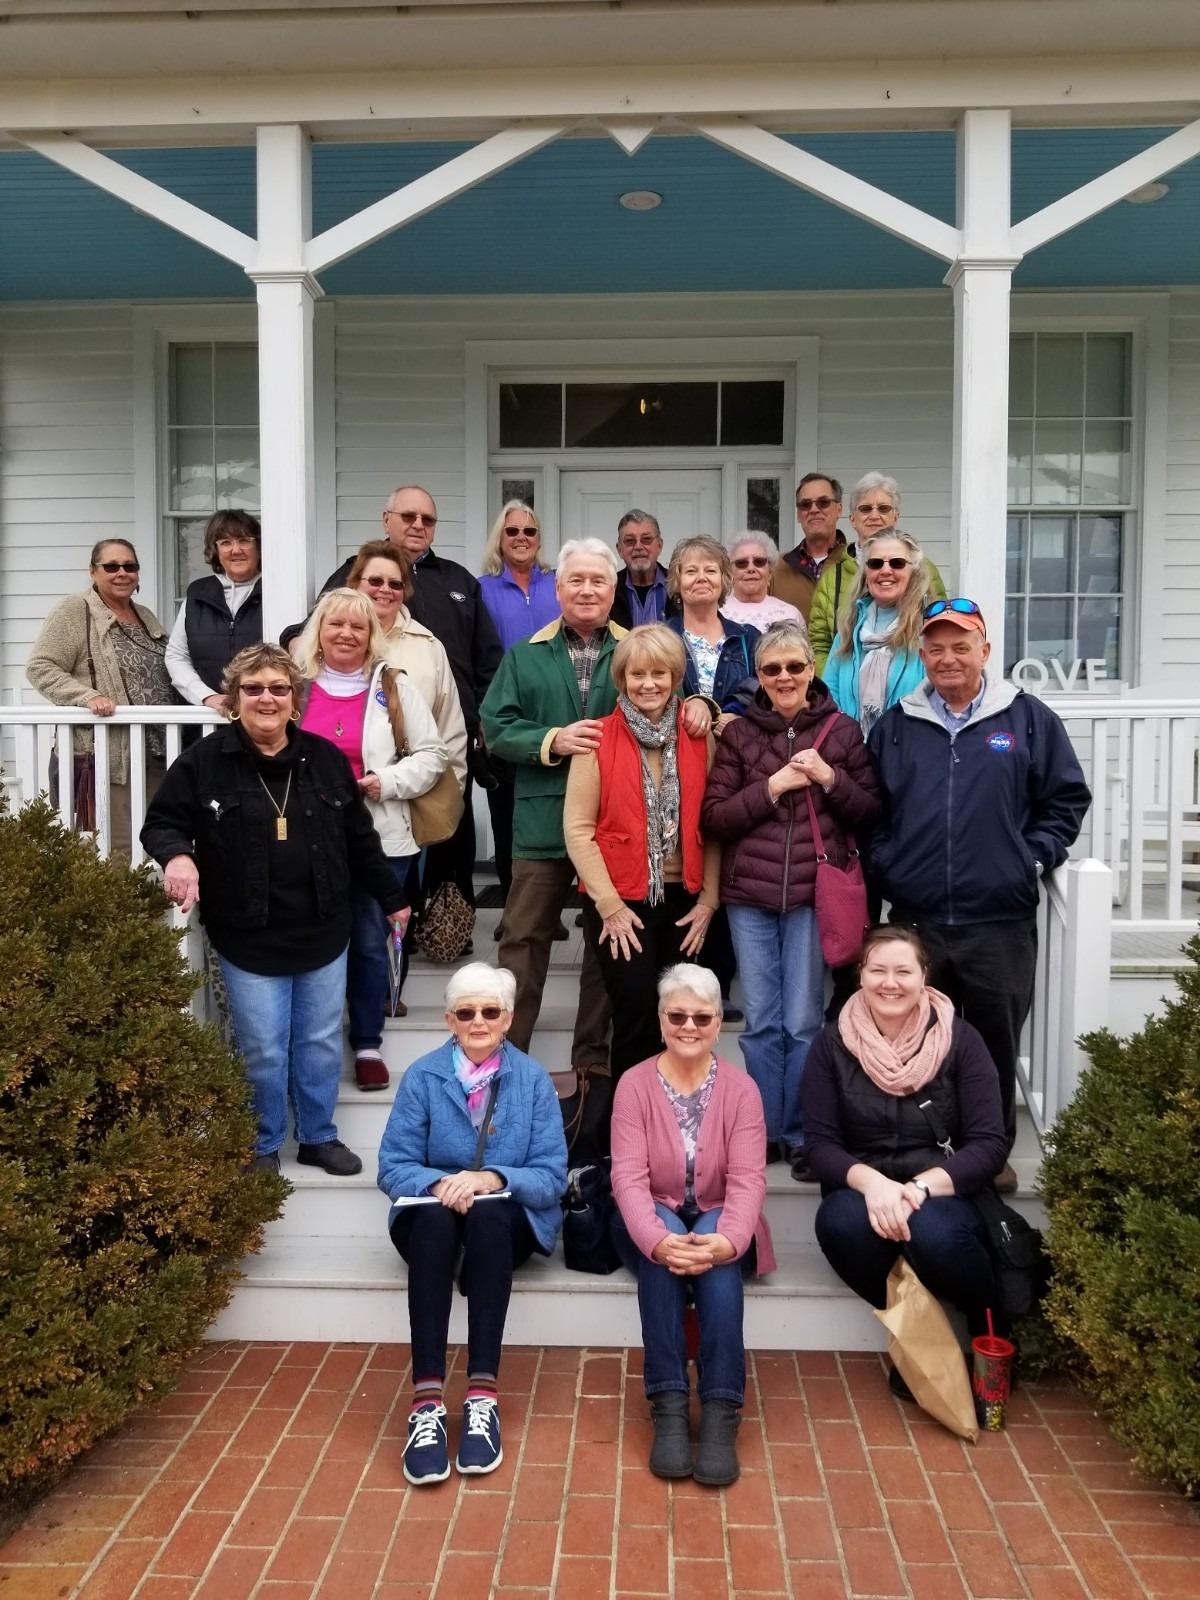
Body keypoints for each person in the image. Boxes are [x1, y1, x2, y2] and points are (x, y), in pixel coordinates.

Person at [142, 643, 409, 1176]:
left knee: (317, 1040)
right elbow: (162, 824)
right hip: (247, 932)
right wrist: (178, 857)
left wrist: (393, 898)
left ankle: (317, 1136)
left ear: (296, 699)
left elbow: (360, 839)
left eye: (279, 688)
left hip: (322, 928)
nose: (267, 698)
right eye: (254, 688)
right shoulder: (202, 763)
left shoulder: (326, 760)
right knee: (263, 1047)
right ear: (235, 697)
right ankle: (261, 1144)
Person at [868, 599, 1091, 1191]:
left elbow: (1065, 800)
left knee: (993, 1044)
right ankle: (928, 1153)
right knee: (917, 1042)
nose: (948, 657)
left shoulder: (1026, 719)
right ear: (923, 656)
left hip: (1000, 919)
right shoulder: (897, 726)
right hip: (917, 921)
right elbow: (871, 811)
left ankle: (989, 1159)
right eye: (936, 647)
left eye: (960, 645)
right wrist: (888, 866)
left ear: (984, 651)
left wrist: (1032, 858)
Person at [377, 962, 567, 1484]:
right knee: (439, 1225)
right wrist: (440, 1184)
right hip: (431, 1218)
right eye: (466, 1012)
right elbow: (392, 1165)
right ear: (449, 1020)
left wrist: (490, 1178)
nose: (478, 1021)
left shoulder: (531, 1081)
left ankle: (482, 1399)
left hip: (506, 1224)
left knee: (485, 1218)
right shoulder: (422, 1076)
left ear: (508, 1018)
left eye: (490, 1011)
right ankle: (427, 1405)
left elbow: (551, 1176)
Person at [702, 622, 880, 1175]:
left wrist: (829, 778)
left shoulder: (842, 731)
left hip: (811, 895)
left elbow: (871, 813)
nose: (784, 677)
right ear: (758, 676)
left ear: (811, 671)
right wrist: (773, 787)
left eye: (794, 667)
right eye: (772, 668)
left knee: (803, 1021)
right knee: (760, 1021)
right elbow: (715, 817)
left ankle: (804, 1133)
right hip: (748, 897)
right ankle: (765, 1130)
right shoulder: (738, 735)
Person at [801, 925, 1009, 1396]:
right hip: (865, 1186)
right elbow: (819, 1144)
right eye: (878, 970)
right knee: (839, 1224)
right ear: (860, 975)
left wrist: (916, 1189)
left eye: (902, 971)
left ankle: (987, 1330)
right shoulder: (831, 1045)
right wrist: (874, 1185)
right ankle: (921, 1339)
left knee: (936, 1233)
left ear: (924, 977)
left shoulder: (961, 1039)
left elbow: (989, 1145)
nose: (889, 983)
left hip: (940, 1185)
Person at [285, 485, 502, 911]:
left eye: (428, 519)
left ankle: (438, 935)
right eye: (408, 516)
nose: (418, 525)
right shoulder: (339, 623)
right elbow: (308, 632)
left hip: (418, 783)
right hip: (329, 804)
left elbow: (464, 696)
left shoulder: (455, 588)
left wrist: (449, 787)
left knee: (408, 898)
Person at [610, 964, 775, 1486]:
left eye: (701, 1017)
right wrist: (659, 1242)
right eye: (677, 1015)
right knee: (661, 1257)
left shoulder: (743, 1090)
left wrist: (727, 1241)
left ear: (718, 1024)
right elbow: (629, 1180)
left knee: (718, 1267)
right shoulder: (634, 1085)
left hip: (721, 1211)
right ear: (660, 1021)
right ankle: (670, 1405)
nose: (688, 1026)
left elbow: (748, 1181)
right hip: (651, 1211)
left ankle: (722, 1412)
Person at [293, 590, 449, 1089]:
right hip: (301, 839)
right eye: (336, 624)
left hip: (379, 834)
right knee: (308, 940)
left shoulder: (393, 686)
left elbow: (431, 753)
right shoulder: (294, 688)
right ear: (319, 629)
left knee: (367, 941)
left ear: (371, 635)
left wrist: (386, 781)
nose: (346, 634)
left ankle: (366, 1042)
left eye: (357, 627)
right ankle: (307, 1040)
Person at [565, 625, 720, 1080]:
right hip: (623, 902)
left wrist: (710, 901)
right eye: (637, 674)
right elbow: (577, 831)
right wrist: (609, 907)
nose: (648, 684)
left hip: (685, 900)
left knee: (683, 1016)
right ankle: (632, 1132)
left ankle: (680, 1123)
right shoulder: (597, 739)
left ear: (675, 678)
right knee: (634, 1013)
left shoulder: (699, 734)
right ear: (621, 679)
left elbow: (712, 826)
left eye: (659, 673)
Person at [27, 538, 170, 859]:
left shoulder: (144, 615)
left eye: (130, 566)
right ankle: (119, 911)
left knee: (156, 842)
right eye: (112, 566)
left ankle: (146, 908)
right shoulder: (76, 610)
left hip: (156, 749)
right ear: (93, 572)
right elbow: (40, 667)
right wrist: (87, 696)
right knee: (118, 848)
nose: (122, 573)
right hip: (108, 753)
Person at [478, 501, 560, 923]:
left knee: (566, 816)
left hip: (558, 716)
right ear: (500, 538)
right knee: (509, 819)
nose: (521, 538)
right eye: (512, 531)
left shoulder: (559, 584)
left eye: (529, 531)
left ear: (539, 539)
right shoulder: (482, 589)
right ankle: (516, 913)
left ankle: (559, 913)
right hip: (507, 720)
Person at [345, 539, 468, 797]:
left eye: (395, 584)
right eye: (375, 581)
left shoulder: (429, 647)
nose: (385, 590)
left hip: (412, 800)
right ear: (355, 583)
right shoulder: (333, 642)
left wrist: (450, 795)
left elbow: (450, 730)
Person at [809, 474, 947, 672]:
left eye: (883, 508)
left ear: (896, 517)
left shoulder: (923, 568)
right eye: (865, 509)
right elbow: (819, 643)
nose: (874, 515)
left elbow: (939, 630)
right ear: (852, 519)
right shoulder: (833, 577)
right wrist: (834, 685)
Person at [821, 531, 935, 736]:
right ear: (866, 573)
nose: (885, 570)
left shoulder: (929, 632)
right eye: (875, 564)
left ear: (914, 572)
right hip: (853, 757)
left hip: (907, 754)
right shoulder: (848, 632)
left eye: (897, 563)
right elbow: (829, 699)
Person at [165, 510, 262, 712]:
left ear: (258, 546)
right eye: (225, 543)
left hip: (263, 714)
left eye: (244, 540)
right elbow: (177, 655)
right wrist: (206, 696)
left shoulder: (276, 592)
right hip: (207, 720)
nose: (236, 550)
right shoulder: (198, 594)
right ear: (215, 550)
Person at [665, 536, 758, 728]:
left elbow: (763, 686)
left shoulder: (748, 638)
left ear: (723, 579)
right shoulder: (661, 638)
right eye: (691, 571)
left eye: (710, 570)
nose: (702, 577)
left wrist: (736, 711)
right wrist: (694, 707)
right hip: (679, 749)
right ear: (678, 581)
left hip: (737, 748)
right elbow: (650, 692)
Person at [770, 472, 854, 622]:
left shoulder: (857, 562)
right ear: (798, 514)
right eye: (805, 504)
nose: (814, 509)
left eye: (823, 502)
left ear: (839, 509)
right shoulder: (776, 568)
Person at [720, 530, 805, 632]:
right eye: (741, 563)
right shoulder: (715, 612)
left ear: (770, 572)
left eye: (759, 562)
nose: (751, 568)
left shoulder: (790, 615)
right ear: (730, 572)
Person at [610, 510, 669, 628]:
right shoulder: (609, 588)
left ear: (660, 545)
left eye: (646, 539)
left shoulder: (679, 586)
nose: (638, 547)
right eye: (630, 541)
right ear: (620, 549)